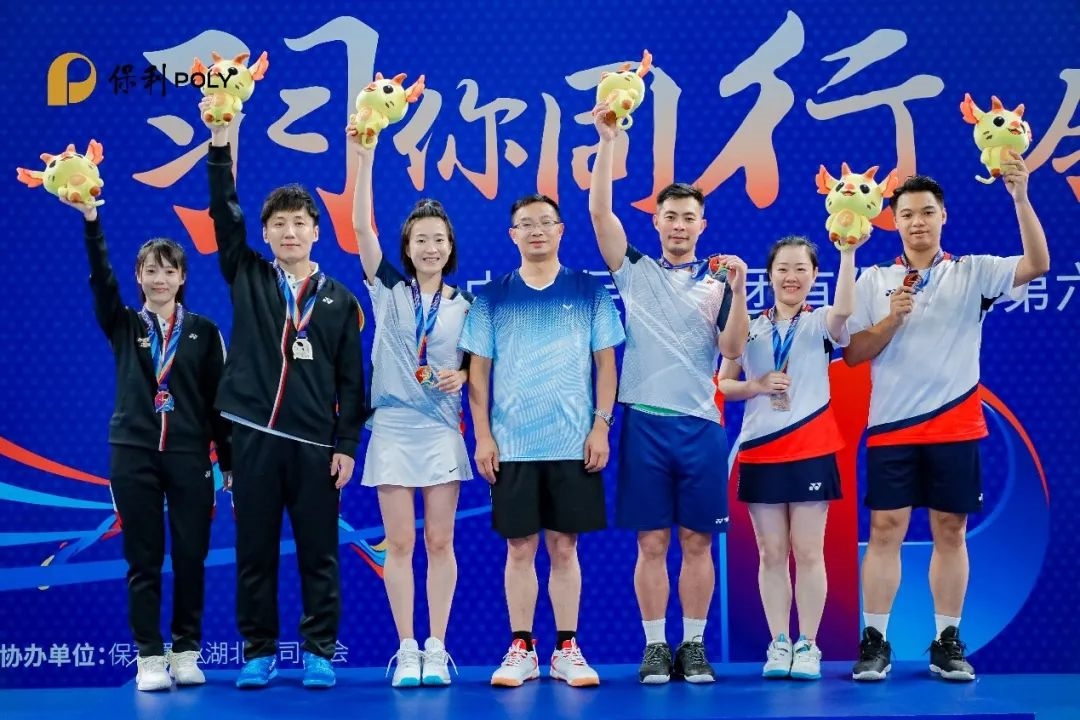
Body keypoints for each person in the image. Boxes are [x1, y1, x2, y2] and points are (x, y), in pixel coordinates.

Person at [844, 157, 1049, 682]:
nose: (917, 222)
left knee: (951, 531)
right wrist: (891, 319)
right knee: (884, 530)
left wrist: (1020, 197)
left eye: (927, 212)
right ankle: (875, 642)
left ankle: (948, 641)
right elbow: (854, 354)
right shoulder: (874, 279)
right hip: (892, 428)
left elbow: (1037, 264)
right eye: (907, 214)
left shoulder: (973, 272)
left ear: (943, 217)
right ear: (893, 221)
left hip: (955, 425)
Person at [202, 98, 366, 689]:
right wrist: (219, 141)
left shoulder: (340, 300)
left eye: (299, 223)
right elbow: (224, 212)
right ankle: (259, 651)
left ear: (316, 232)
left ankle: (319, 650)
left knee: (320, 553)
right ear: (266, 233)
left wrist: (346, 444)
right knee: (255, 552)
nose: (289, 231)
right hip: (252, 438)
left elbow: (352, 381)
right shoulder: (247, 273)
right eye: (279, 224)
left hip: (316, 446)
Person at [588, 101, 748, 684]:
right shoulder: (635, 271)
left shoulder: (719, 282)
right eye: (670, 216)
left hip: (701, 427)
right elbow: (600, 213)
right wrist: (608, 142)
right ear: (656, 222)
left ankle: (694, 646)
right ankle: (656, 646)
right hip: (645, 426)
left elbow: (733, 347)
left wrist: (739, 289)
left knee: (697, 542)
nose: (679, 225)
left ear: (703, 225)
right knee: (652, 543)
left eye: (689, 218)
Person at [65, 194, 231, 691]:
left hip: (189, 456)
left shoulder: (204, 332)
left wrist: (230, 462)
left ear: (182, 277)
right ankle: (149, 657)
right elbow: (101, 279)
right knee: (143, 558)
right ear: (138, 277)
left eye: (169, 271)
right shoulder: (123, 324)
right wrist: (92, 220)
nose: (160, 279)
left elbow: (218, 404)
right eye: (151, 271)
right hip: (133, 454)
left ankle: (186, 650)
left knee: (190, 557)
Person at [459, 193, 624, 688]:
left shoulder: (588, 290)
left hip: (573, 443)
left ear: (560, 230)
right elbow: (477, 375)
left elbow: (606, 365)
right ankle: (522, 648)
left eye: (545, 222)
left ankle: (567, 649)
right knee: (519, 548)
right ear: (512, 234)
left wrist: (601, 425)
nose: (536, 231)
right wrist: (483, 436)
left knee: (565, 547)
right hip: (512, 446)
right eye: (525, 224)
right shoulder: (492, 297)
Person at [349, 132, 472, 687]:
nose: (429, 247)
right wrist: (366, 155)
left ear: (450, 247)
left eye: (438, 239)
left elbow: (477, 368)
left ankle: (437, 648)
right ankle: (406, 649)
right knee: (398, 545)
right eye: (420, 239)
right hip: (393, 428)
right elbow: (361, 227)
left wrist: (462, 374)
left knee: (440, 542)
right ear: (407, 246)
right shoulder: (387, 290)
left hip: (441, 429)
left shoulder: (466, 305)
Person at [717, 234, 862, 680]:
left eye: (801, 268)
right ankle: (779, 642)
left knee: (809, 551)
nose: (791, 277)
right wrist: (757, 386)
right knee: (771, 552)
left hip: (812, 450)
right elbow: (725, 382)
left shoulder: (820, 322)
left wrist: (847, 253)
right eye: (783, 268)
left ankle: (808, 644)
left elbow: (844, 311)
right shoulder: (751, 326)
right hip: (761, 451)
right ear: (770, 275)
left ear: (815, 275)